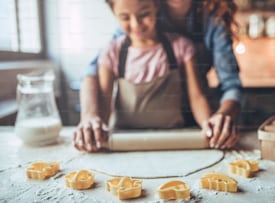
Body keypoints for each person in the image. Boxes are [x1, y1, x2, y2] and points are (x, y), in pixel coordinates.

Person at [73, 0, 243, 152]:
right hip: (125, 137)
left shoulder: (207, 24)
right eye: (126, 17)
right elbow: (94, 76)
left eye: (144, 15)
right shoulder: (123, 31)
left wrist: (214, 123)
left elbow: (222, 88)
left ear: (155, 8)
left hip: (183, 131)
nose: (136, 24)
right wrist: (91, 120)